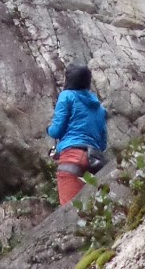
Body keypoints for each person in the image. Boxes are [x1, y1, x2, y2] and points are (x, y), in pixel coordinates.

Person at [47, 63, 108, 206]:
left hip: (71, 158)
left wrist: (48, 129)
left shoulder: (66, 96)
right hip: (95, 160)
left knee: (70, 211)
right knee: (94, 208)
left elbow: (56, 131)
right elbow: (103, 144)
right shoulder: (100, 109)